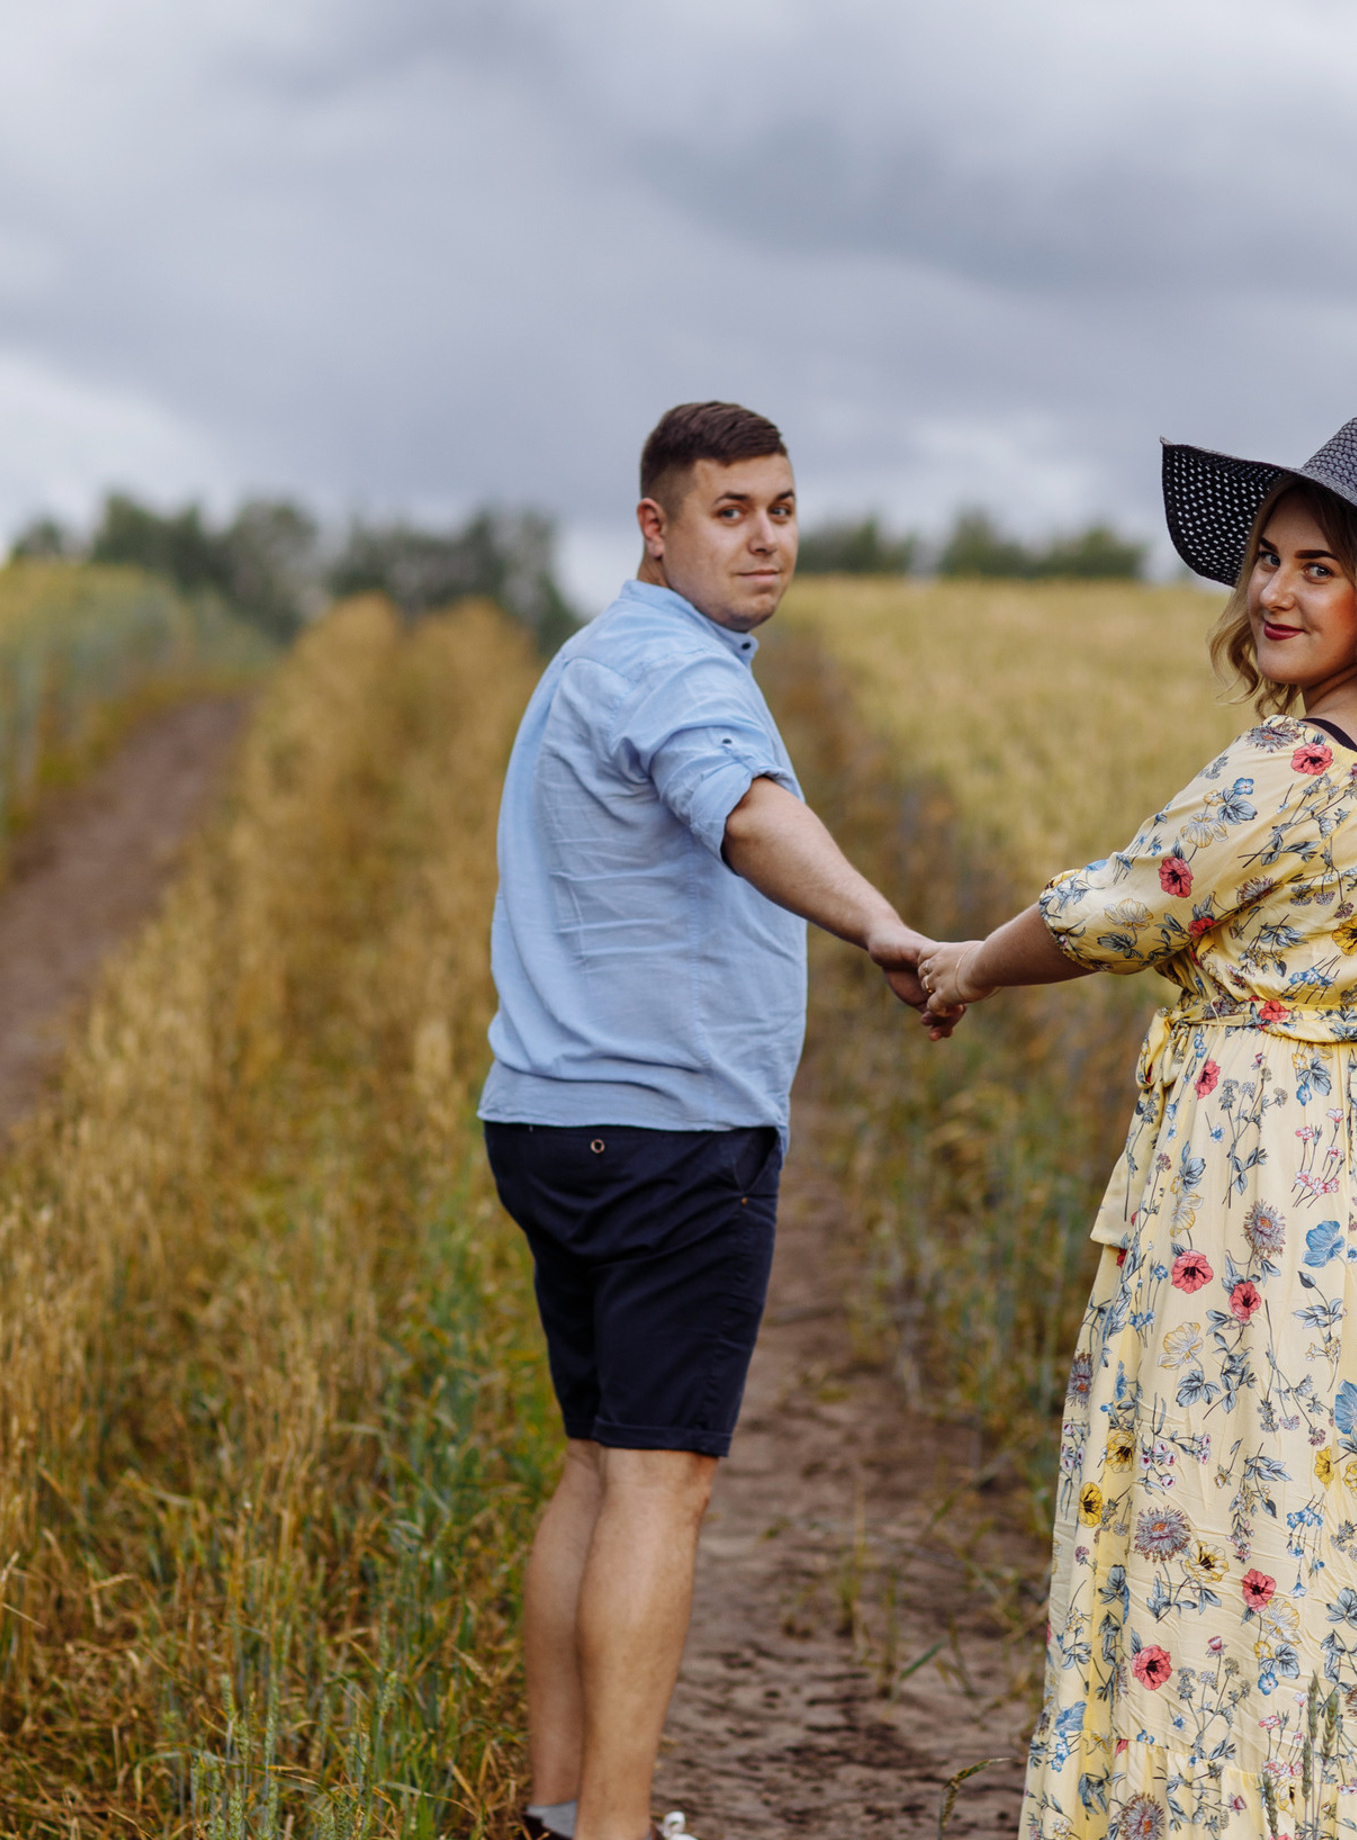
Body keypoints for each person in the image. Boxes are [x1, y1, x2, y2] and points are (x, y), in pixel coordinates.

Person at [917, 416, 1357, 1838]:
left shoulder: (1290, 771)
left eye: (1322, 566)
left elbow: (1123, 905)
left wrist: (964, 967)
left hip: (1261, 1192)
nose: (1274, 592)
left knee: (1224, 1529)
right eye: (1263, 561)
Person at [480, 401, 956, 1840]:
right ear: (656, 528)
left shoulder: (594, 659)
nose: (765, 539)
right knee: (663, 1491)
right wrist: (885, 929)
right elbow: (747, 814)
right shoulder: (679, 672)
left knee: (599, 1463)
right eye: (730, 511)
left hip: (553, 1120)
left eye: (782, 509)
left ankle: (561, 1813)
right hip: (667, 1137)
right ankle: (616, 1830)